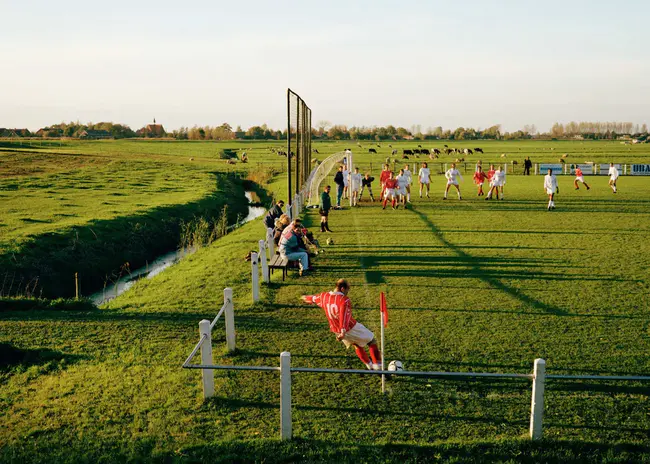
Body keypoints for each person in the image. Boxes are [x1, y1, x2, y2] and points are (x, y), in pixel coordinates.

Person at [301, 279, 381, 370]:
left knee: (356, 344)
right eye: (348, 289)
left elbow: (312, 298)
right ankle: (378, 366)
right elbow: (343, 316)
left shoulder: (324, 296)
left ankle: (369, 365)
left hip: (336, 330)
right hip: (350, 327)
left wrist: (303, 297)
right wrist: (343, 331)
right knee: (372, 341)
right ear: (342, 289)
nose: (348, 292)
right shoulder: (344, 300)